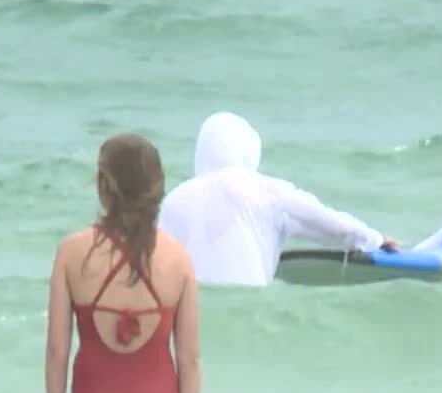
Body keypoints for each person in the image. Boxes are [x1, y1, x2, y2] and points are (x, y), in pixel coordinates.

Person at [41, 133, 202, 393]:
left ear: (103, 187)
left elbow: (56, 351)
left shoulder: (72, 252)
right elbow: (190, 359)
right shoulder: (179, 260)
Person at [158, 111, 399, 286]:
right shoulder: (267, 191)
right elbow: (332, 225)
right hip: (248, 311)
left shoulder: (172, 202)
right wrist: (374, 240)